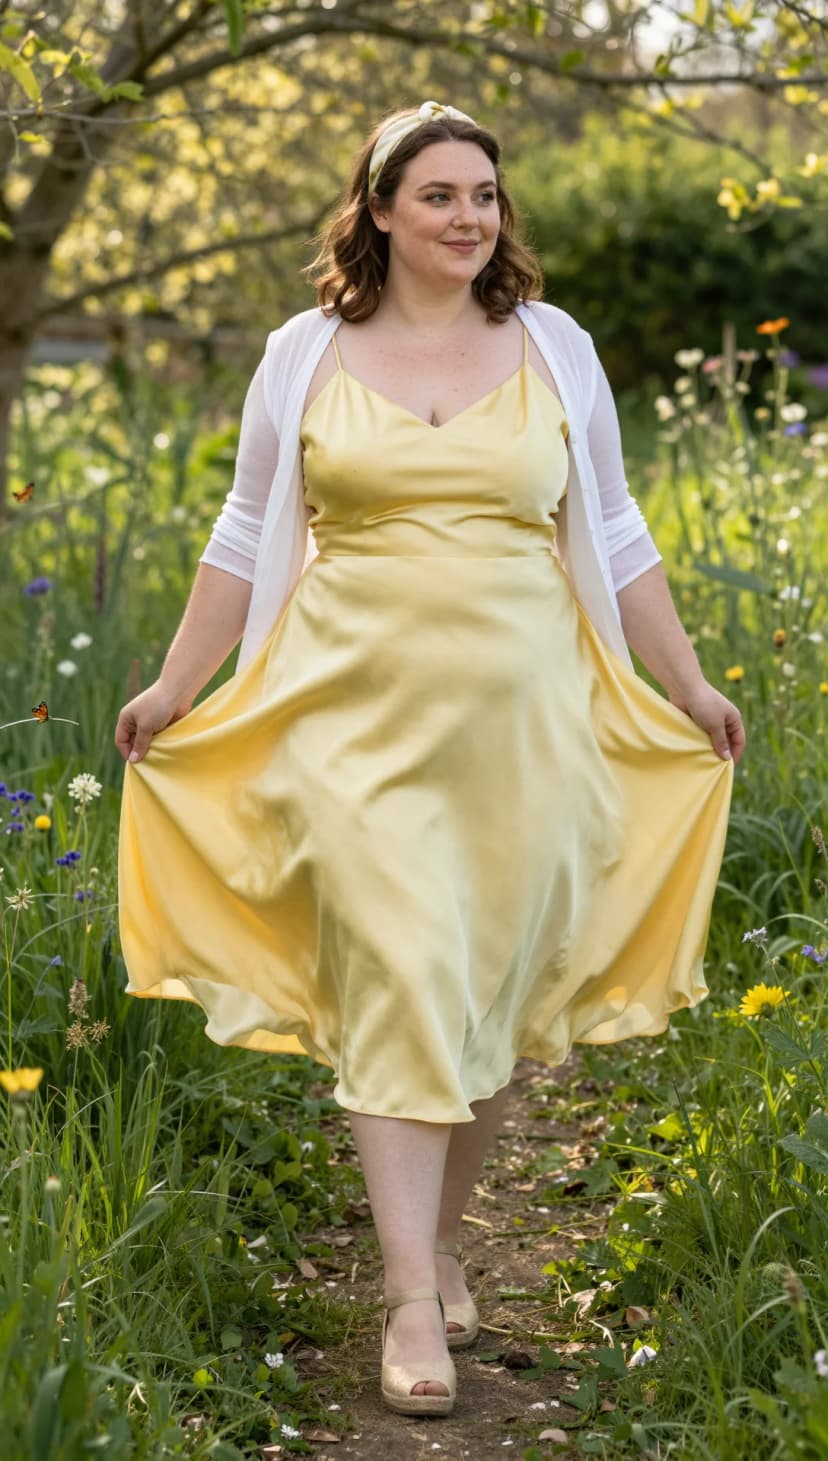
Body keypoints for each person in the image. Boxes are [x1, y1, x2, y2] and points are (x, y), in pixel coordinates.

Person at [115, 100, 745, 1418]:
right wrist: (178, 683)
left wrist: (686, 683)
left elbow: (616, 533)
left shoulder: (555, 350)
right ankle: (410, 1294)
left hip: (532, 728)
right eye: (443, 194)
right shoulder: (306, 355)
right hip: (350, 720)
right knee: (403, 969)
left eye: (486, 195)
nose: (471, 216)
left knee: (497, 1003)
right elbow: (243, 534)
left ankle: (441, 1241)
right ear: (383, 207)